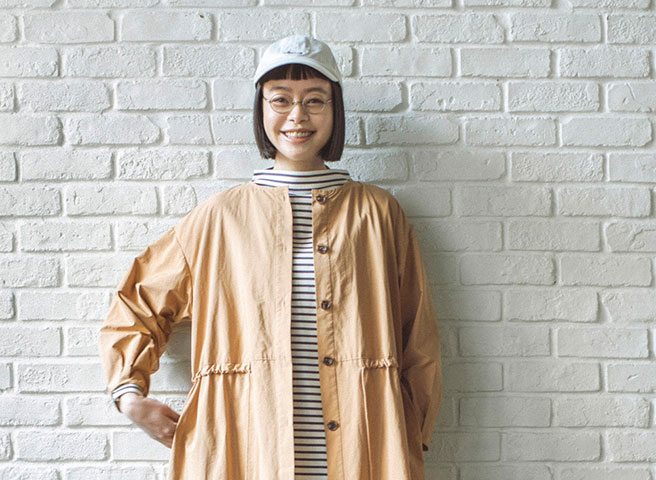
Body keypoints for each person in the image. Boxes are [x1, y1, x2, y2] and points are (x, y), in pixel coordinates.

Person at [99, 35, 442, 480]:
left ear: (335, 110)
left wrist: (412, 435)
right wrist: (129, 396)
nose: (297, 115)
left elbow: (418, 336)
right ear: (261, 110)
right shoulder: (219, 218)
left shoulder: (377, 213)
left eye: (314, 100)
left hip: (366, 447)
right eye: (280, 99)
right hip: (245, 448)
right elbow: (138, 303)